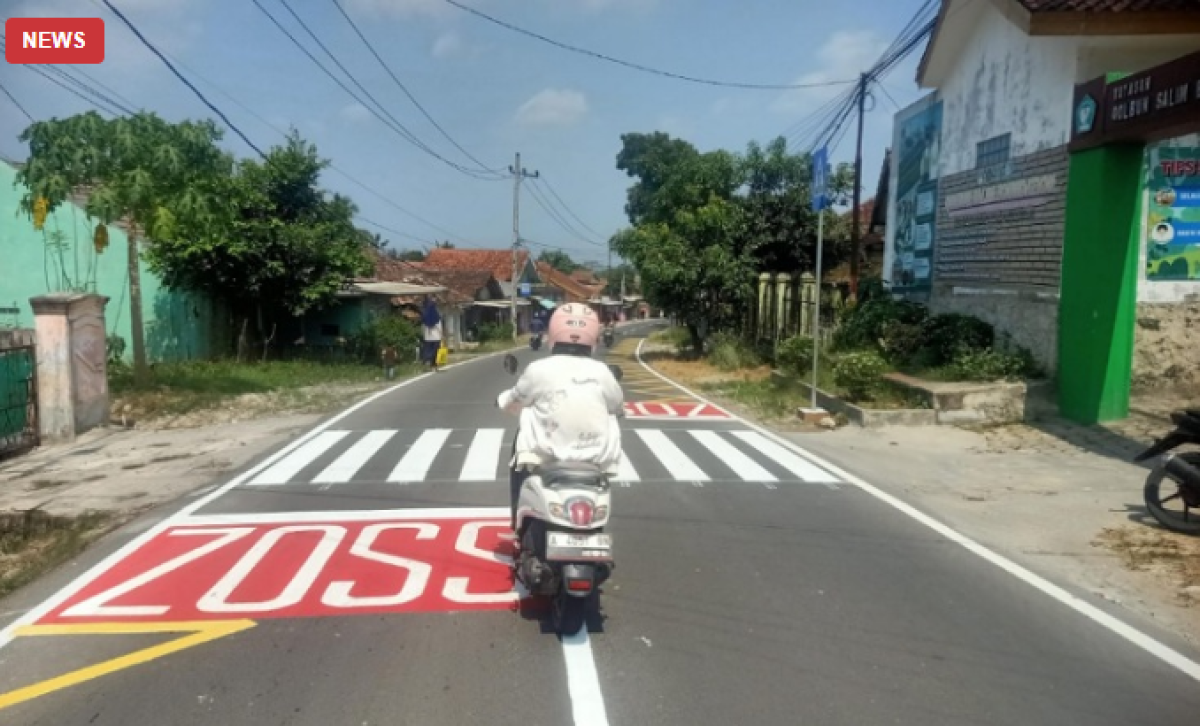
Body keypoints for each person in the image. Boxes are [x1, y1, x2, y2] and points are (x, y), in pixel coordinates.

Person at [496, 303, 623, 529]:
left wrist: (504, 401)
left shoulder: (538, 369)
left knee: (519, 458)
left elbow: (517, 397)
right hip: (593, 457)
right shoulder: (602, 371)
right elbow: (617, 406)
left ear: (553, 332)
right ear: (594, 336)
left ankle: (517, 521)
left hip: (546, 455)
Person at [420, 296, 443, 372]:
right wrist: (442, 336)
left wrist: (424, 335)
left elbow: (422, 327)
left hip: (427, 338)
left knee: (428, 352)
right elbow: (439, 327)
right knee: (436, 353)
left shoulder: (425, 317)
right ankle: (435, 366)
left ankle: (428, 365)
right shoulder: (436, 316)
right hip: (436, 338)